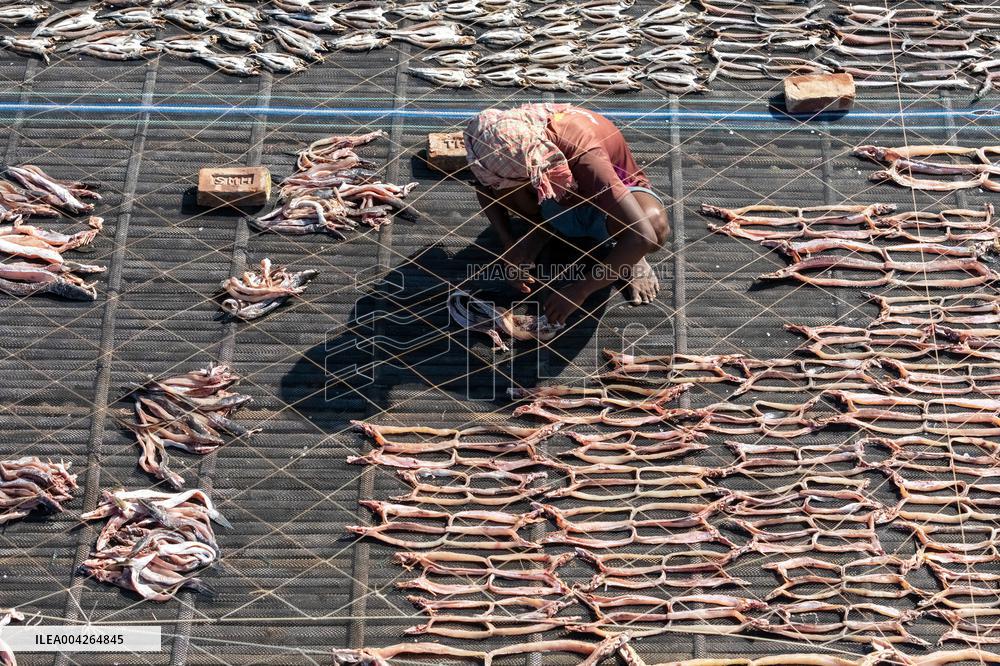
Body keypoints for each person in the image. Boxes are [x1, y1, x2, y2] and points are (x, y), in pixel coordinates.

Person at [463, 103, 670, 327]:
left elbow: (642, 235)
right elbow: (484, 185)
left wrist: (580, 291)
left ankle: (630, 256)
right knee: (506, 188)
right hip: (561, 196)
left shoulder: (587, 158)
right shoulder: (507, 133)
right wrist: (509, 245)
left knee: (653, 228)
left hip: (609, 202)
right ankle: (543, 228)